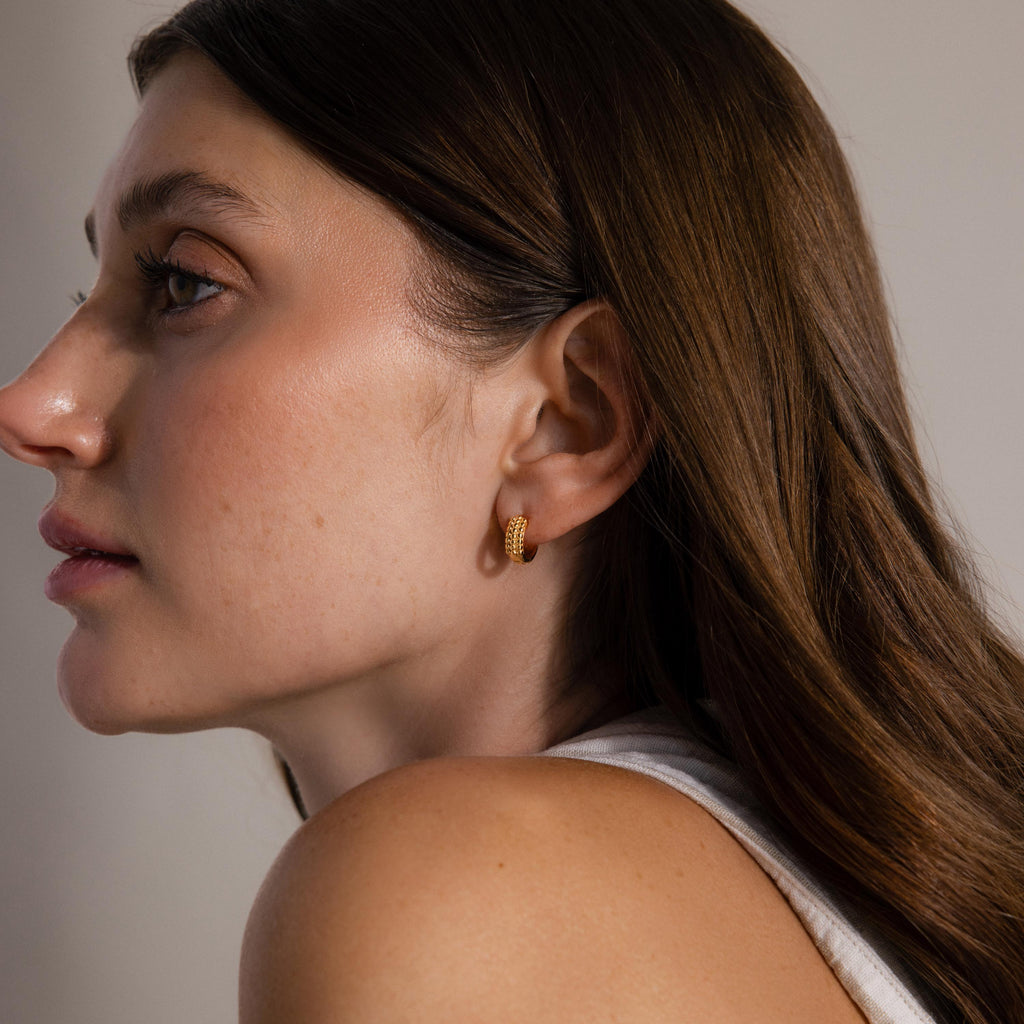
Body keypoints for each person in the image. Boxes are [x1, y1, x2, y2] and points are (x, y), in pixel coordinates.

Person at [0, 0, 1021, 1020]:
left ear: (564, 425)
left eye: (184, 284)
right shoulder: (810, 912)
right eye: (85, 300)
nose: (32, 406)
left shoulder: (443, 903)